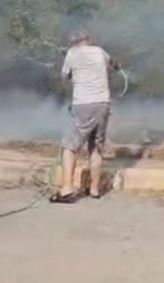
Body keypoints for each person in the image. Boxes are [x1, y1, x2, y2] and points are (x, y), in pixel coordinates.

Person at [50, 29, 120, 204]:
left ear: (74, 42)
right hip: (103, 104)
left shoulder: (72, 54)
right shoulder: (100, 51)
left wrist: (75, 74)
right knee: (96, 147)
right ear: (88, 40)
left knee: (69, 146)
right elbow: (114, 64)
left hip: (84, 104)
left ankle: (66, 189)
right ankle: (95, 190)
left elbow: (64, 76)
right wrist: (115, 66)